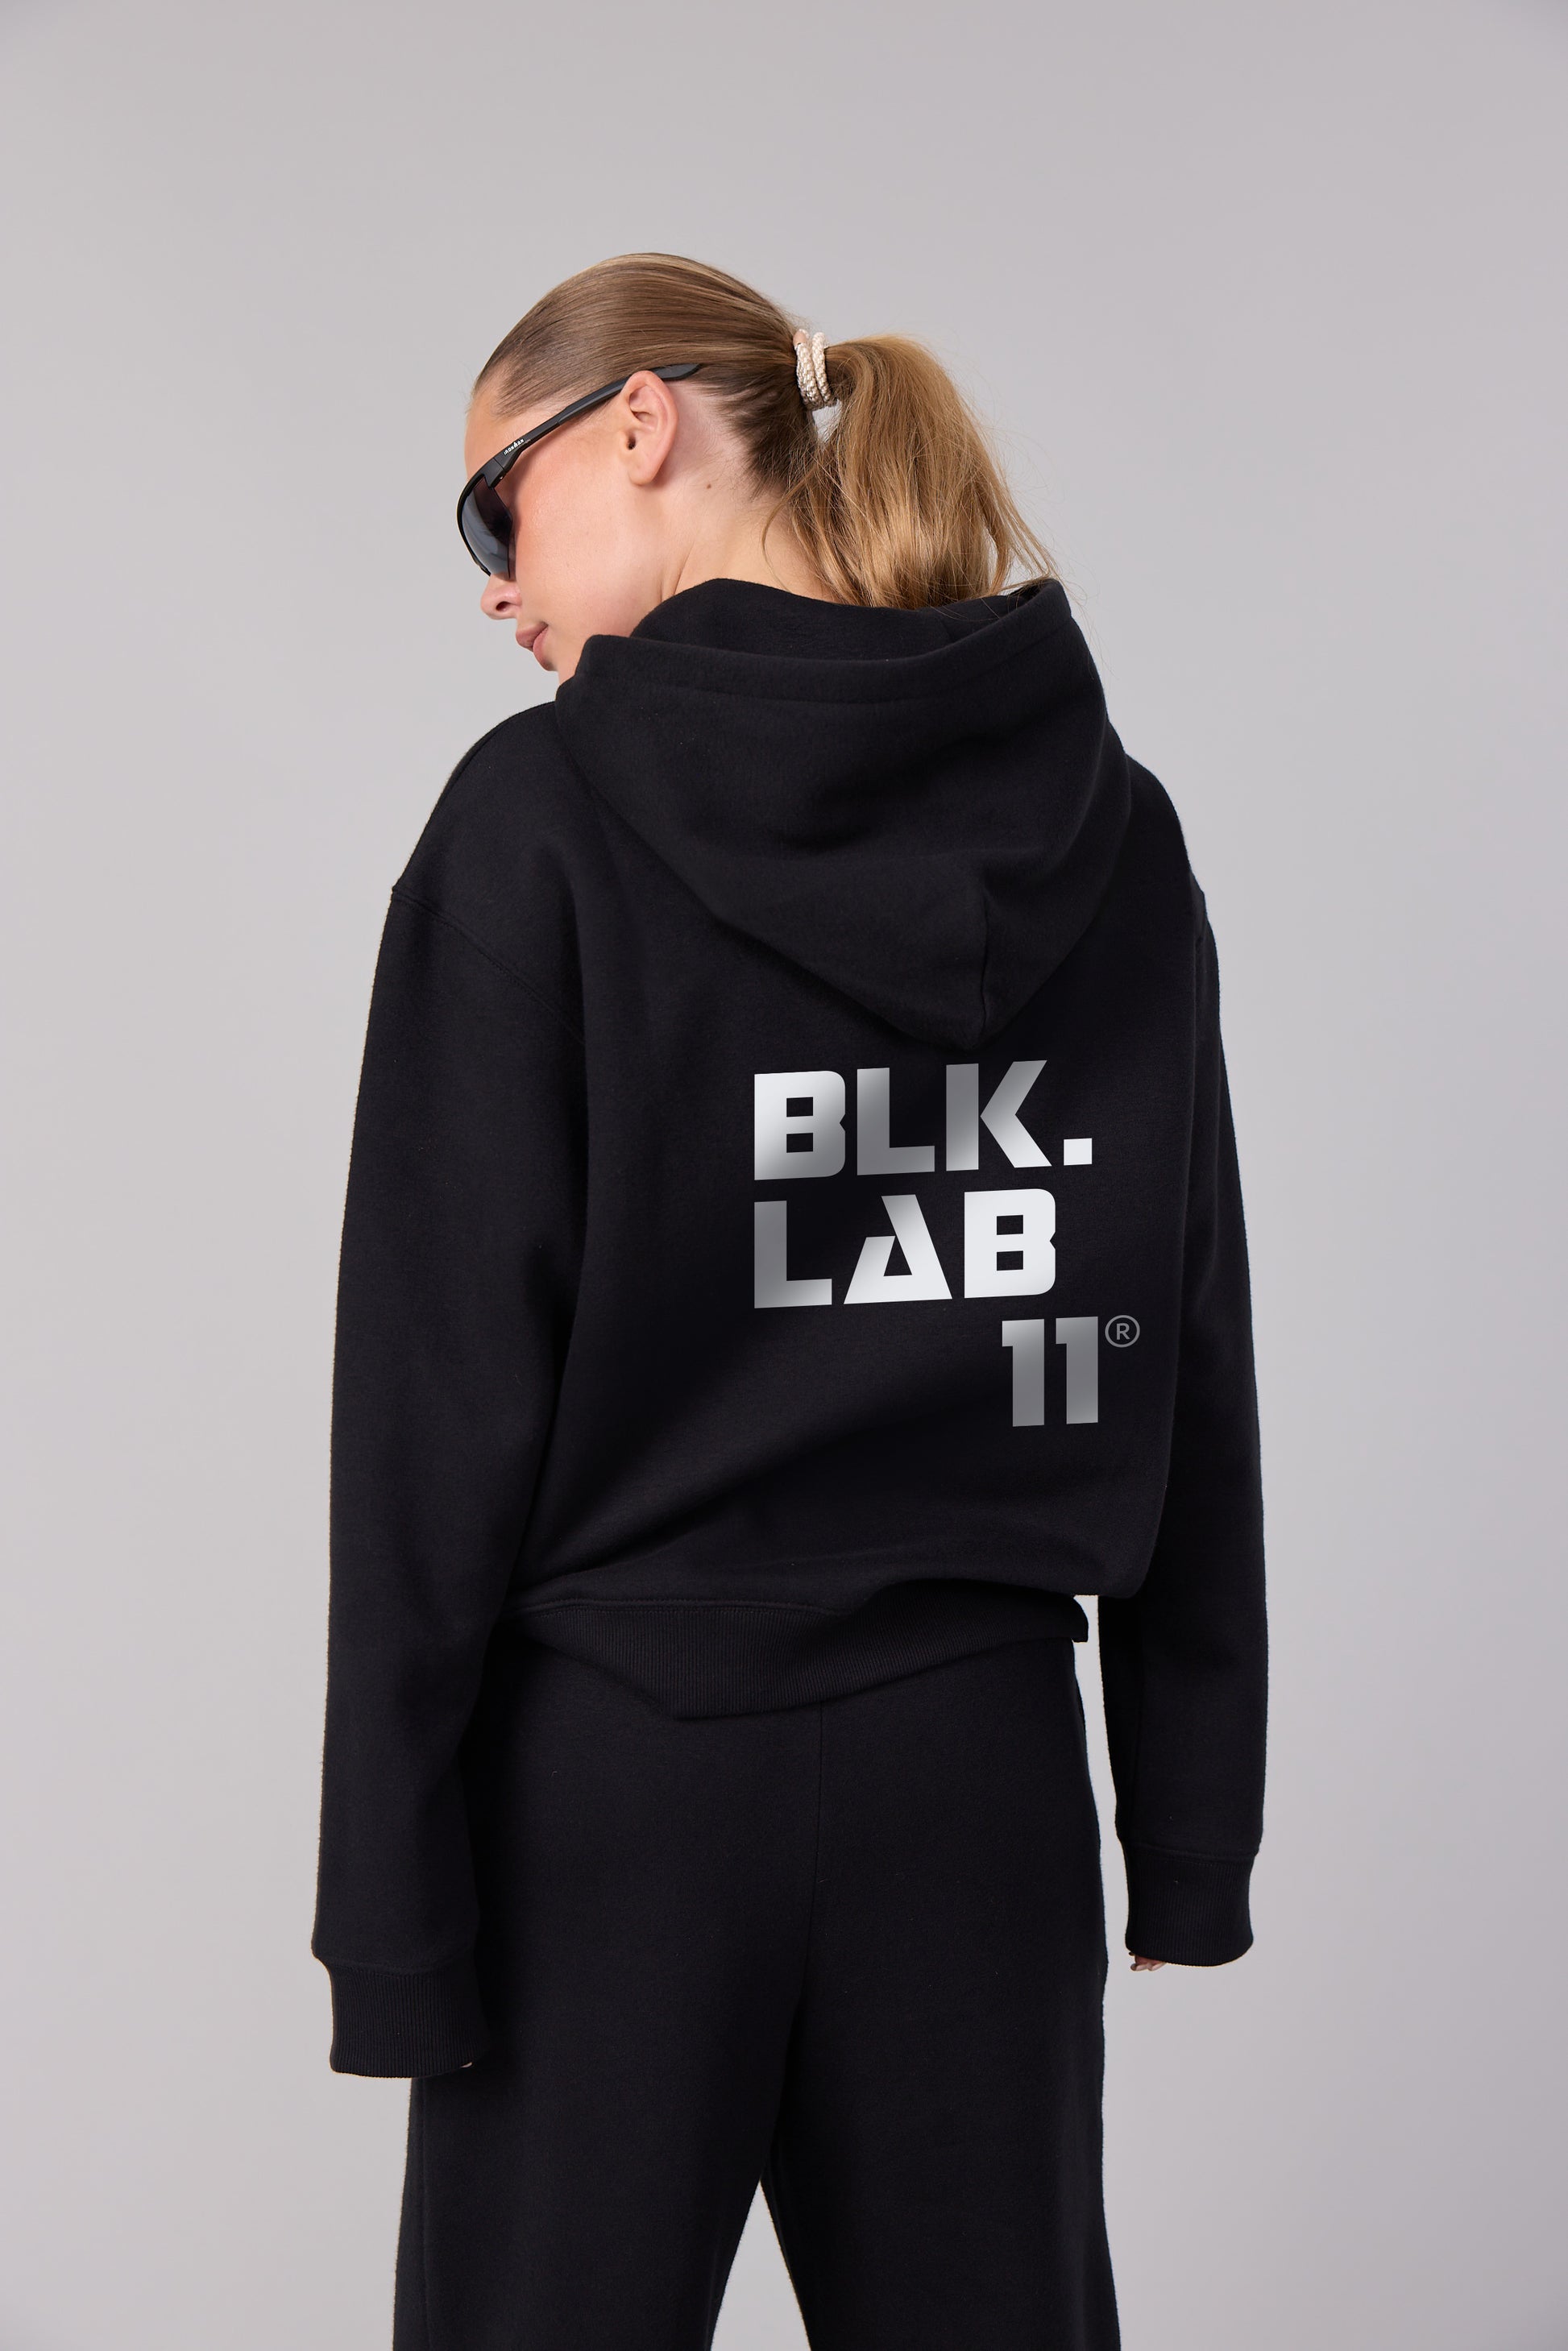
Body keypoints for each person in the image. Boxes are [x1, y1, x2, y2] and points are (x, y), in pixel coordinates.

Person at [311, 251, 1267, 2351]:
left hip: (610, 1805)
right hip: (983, 1788)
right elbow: (1176, 1333)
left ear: (640, 423)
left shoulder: (535, 825)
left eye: (494, 509)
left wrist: (388, 1910)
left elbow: (433, 1409)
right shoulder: (1112, 832)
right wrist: (1188, 1819)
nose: (496, 587)